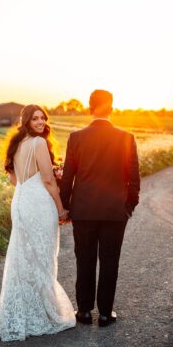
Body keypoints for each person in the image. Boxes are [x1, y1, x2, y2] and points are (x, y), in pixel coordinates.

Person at [0, 105, 76, 342]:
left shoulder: (16, 144)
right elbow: (48, 181)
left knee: (23, 257)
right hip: (38, 204)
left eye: (42, 118)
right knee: (42, 256)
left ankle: (20, 314)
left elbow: (14, 179)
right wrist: (61, 208)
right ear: (26, 121)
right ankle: (41, 313)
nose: (40, 122)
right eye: (35, 118)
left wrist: (35, 181)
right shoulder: (38, 143)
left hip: (20, 200)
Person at [60, 90, 140, 327]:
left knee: (84, 261)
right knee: (110, 262)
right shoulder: (126, 137)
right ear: (112, 108)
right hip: (115, 212)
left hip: (83, 211)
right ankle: (105, 314)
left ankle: (84, 312)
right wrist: (128, 207)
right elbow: (134, 177)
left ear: (90, 108)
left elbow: (68, 178)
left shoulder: (76, 137)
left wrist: (65, 207)